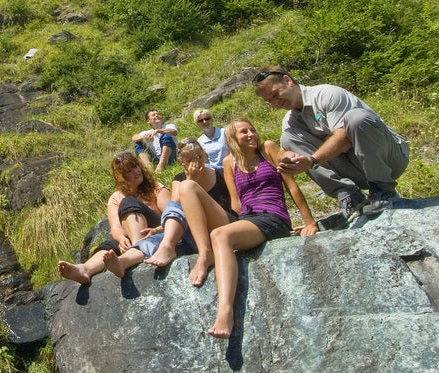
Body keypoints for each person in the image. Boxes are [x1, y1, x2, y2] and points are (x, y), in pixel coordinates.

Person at [207, 118, 318, 339]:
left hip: (273, 216)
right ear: (232, 138)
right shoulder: (230, 163)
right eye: (243, 132)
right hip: (250, 218)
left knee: (219, 235)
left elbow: (292, 187)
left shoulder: (267, 149)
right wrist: (241, 229)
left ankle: (225, 311)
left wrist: (310, 222)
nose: (251, 134)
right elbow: (235, 203)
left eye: (252, 130)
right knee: (221, 236)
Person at [252, 67, 409, 219]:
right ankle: (350, 196)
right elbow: (283, 149)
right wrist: (288, 156)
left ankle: (384, 190)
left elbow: (344, 137)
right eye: (269, 100)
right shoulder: (290, 120)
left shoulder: (327, 94)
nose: (275, 102)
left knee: (357, 118)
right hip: (357, 170)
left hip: (390, 161)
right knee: (288, 138)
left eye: (275, 94)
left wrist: (311, 160)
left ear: (288, 80)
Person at [102, 139, 236, 283]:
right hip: (193, 234)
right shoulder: (179, 179)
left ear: (204, 154)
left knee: (187, 189)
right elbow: (178, 211)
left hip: (222, 225)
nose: (196, 162)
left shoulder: (220, 172)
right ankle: (123, 262)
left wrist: (191, 182)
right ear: (182, 162)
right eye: (190, 159)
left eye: (199, 156)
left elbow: (235, 205)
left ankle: (168, 245)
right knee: (155, 240)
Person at [57, 151, 170, 284]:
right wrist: (122, 239)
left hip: (157, 232)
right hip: (133, 237)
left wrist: (156, 230)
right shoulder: (116, 198)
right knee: (109, 247)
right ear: (121, 177)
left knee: (128, 202)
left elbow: (173, 216)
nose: (136, 171)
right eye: (129, 170)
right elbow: (115, 227)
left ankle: (133, 254)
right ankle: (84, 269)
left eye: (136, 166)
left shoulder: (156, 188)